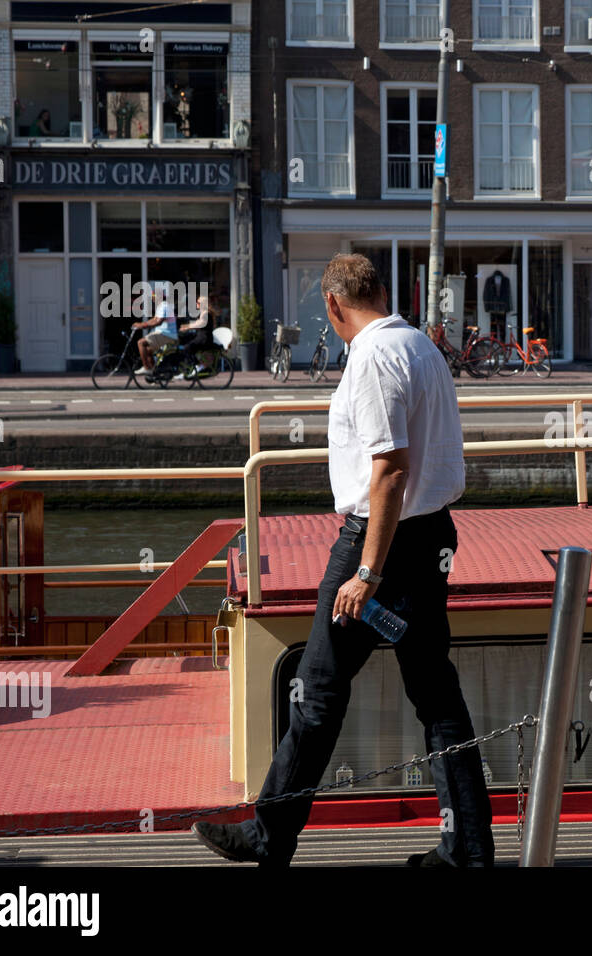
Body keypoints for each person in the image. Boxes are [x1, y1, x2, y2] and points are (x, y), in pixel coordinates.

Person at [193, 253, 494, 867]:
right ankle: (467, 848)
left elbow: (387, 472)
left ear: (333, 306)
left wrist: (366, 573)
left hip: (379, 543)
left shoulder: (372, 357)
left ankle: (269, 836)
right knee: (437, 699)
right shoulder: (422, 347)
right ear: (382, 291)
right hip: (433, 533)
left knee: (319, 691)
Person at [132, 286, 178, 373]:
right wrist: (141, 324)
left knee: (141, 343)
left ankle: (147, 368)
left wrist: (143, 326)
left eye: (154, 297)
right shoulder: (160, 306)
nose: (152, 298)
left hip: (167, 334)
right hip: (163, 333)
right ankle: (154, 373)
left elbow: (158, 322)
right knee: (148, 350)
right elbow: (154, 319)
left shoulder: (164, 306)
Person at [178, 294, 213, 378]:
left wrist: (187, 327)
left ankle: (198, 366)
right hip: (201, 338)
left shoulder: (206, 314)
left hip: (204, 339)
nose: (196, 304)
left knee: (187, 347)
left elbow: (200, 324)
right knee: (187, 346)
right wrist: (186, 326)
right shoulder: (203, 313)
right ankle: (190, 368)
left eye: (198, 302)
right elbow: (197, 323)